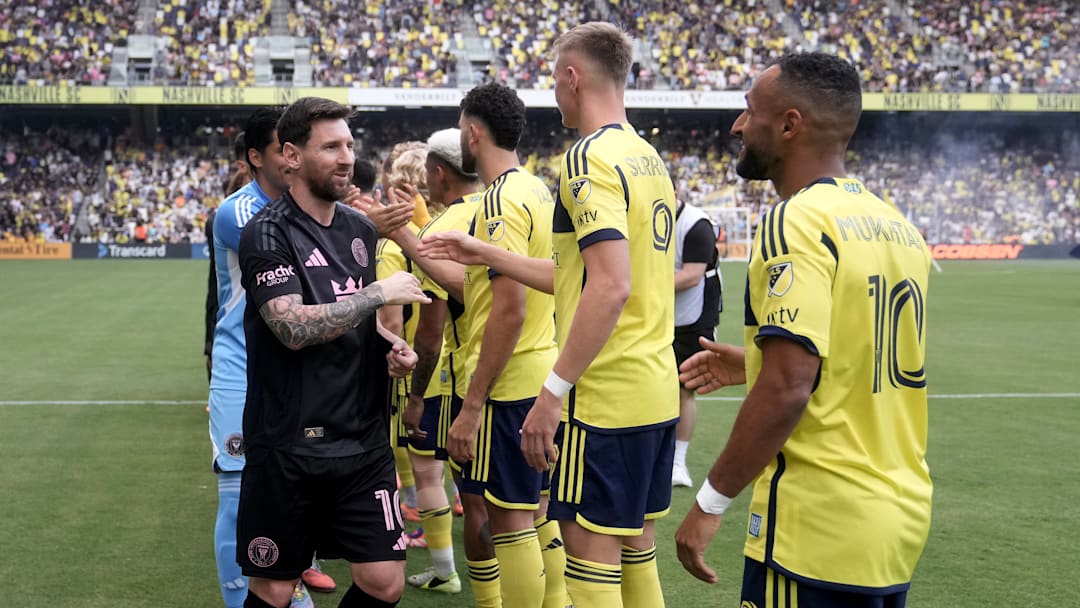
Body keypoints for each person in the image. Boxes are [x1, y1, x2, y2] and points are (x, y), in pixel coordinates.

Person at [418, 23, 679, 608]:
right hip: (654, 388)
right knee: (637, 552)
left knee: (589, 565)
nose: (555, 96)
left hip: (604, 393)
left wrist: (554, 391)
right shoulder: (648, 158)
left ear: (572, 77)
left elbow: (608, 289)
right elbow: (583, 278)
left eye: (555, 82)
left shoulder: (588, 158)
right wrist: (486, 254)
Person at [673, 53, 933, 608]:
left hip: (817, 524)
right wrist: (755, 362)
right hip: (897, 516)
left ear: (789, 124)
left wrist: (709, 503)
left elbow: (790, 387)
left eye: (748, 111)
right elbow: (856, 358)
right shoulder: (898, 226)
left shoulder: (795, 220)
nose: (737, 127)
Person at [236, 96, 429, 608]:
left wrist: (392, 347)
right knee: (275, 587)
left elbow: (356, 321)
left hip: (361, 440)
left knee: (384, 582)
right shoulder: (267, 232)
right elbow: (291, 328)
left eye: (348, 144)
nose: (346, 157)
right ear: (293, 156)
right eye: (330, 147)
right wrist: (379, 294)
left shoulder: (359, 229)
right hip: (287, 442)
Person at [447, 82, 565, 608]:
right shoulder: (539, 189)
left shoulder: (498, 202)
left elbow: (509, 308)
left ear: (473, 132)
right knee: (541, 511)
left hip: (509, 380)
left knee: (510, 516)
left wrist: (472, 406)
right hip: (545, 369)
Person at [208, 108, 320, 608]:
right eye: (283, 149)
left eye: (299, 147)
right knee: (238, 501)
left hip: (297, 374)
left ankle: (288, 588)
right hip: (242, 374)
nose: (294, 158)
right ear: (256, 157)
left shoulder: (310, 208)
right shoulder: (237, 212)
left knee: (295, 494)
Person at [670, 195, 722, 488]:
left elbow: (691, 276)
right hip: (659, 311)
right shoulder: (647, 218)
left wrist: (644, 283)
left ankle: (678, 462)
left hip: (695, 316)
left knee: (683, 388)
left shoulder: (697, 225)